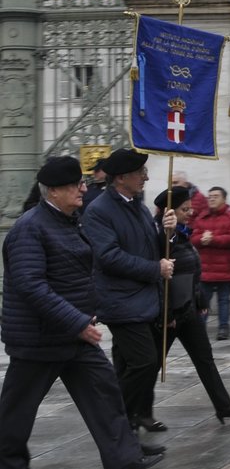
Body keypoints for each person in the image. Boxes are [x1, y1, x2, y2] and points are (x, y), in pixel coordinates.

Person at [1, 157, 163, 469]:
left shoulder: (67, 220)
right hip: (40, 338)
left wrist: (85, 315)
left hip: (74, 334)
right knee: (17, 411)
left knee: (105, 392)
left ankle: (124, 457)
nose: (84, 189)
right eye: (77, 185)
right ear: (55, 191)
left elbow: (77, 275)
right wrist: (77, 322)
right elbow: (32, 286)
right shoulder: (30, 228)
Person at [80, 148, 177, 435]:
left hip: (145, 299)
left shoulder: (136, 204)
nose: (145, 177)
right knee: (146, 361)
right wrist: (154, 270)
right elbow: (108, 256)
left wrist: (166, 231)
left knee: (127, 366)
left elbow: (150, 244)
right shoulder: (99, 210)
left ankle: (127, 425)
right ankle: (116, 421)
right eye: (140, 173)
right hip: (121, 300)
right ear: (121, 178)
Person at [151, 187, 230, 425]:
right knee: (152, 364)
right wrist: (166, 312)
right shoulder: (161, 234)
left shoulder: (182, 232)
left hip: (188, 307)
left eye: (189, 207)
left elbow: (191, 270)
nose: (190, 212)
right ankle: (138, 413)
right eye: (184, 209)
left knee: (204, 358)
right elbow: (162, 274)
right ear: (169, 212)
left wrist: (200, 299)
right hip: (170, 311)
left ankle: (223, 405)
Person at [191, 186, 230, 340]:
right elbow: (193, 238)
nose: (211, 199)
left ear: (224, 199)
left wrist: (213, 239)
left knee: (224, 299)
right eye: (210, 196)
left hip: (225, 266)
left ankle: (223, 328)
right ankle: (200, 329)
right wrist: (201, 239)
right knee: (203, 300)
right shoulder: (201, 217)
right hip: (205, 267)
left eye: (215, 196)